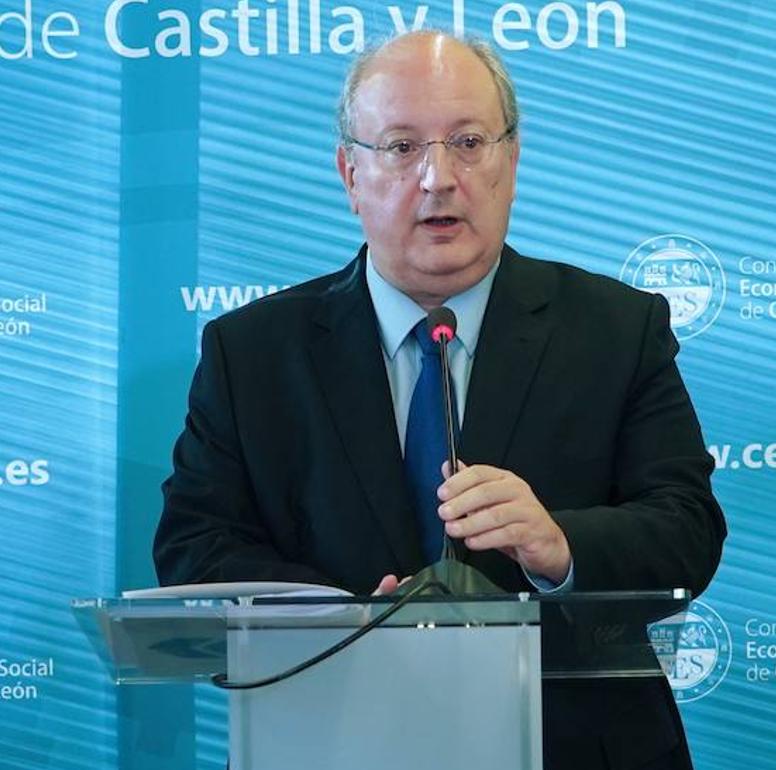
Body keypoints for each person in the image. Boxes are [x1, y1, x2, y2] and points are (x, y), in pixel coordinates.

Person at [153, 30, 725, 770]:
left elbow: (687, 528)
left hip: (578, 744)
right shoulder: (253, 352)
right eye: (400, 147)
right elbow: (194, 547)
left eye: (467, 142)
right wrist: (346, 616)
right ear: (349, 174)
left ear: (511, 162)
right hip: (329, 737)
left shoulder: (617, 329)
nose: (437, 178)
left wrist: (560, 547)